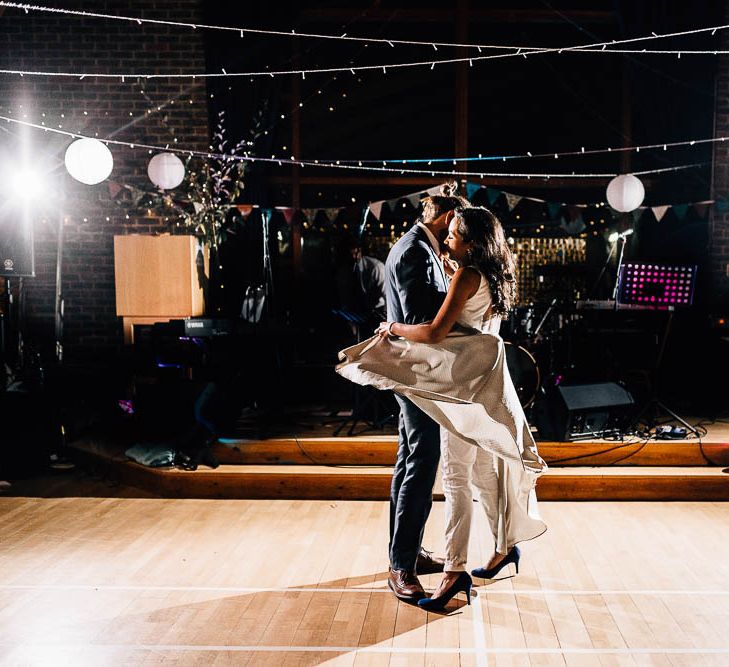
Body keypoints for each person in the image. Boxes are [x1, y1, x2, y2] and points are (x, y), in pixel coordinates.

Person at [337, 206, 547, 611]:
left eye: (454, 236)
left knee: (455, 478)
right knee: (486, 471)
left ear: (471, 241)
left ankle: (454, 573)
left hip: (459, 388)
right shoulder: (497, 272)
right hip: (484, 383)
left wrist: (391, 327)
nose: (447, 242)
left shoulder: (467, 275)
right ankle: (503, 547)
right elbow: (472, 316)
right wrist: (453, 273)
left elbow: (434, 331)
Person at [368, 183, 469, 602]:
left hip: (413, 371)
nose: (454, 238)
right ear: (448, 218)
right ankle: (401, 566)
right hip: (415, 372)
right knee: (421, 462)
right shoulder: (413, 250)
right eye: (457, 228)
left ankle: (403, 552)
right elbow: (417, 318)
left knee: (410, 458)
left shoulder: (416, 246)